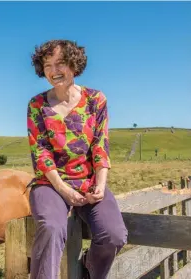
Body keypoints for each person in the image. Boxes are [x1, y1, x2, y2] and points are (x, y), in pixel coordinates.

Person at [27, 39, 128, 279]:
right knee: (51, 228)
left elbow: (100, 145)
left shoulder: (96, 100)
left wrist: (101, 186)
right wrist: (62, 189)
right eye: (47, 65)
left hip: (89, 181)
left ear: (74, 64)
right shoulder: (37, 105)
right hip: (50, 183)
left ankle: (90, 268)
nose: (53, 71)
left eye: (60, 63)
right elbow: (40, 152)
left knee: (114, 235)